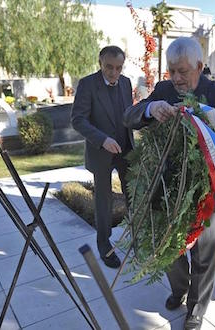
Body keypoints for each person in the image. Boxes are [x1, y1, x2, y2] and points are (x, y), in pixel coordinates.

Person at [122, 37, 215, 330]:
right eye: (172, 71)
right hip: (168, 187)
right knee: (168, 249)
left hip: (206, 188)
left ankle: (196, 309)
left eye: (183, 71)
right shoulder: (164, 90)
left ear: (200, 67)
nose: (176, 78)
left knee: (204, 255)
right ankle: (179, 289)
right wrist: (151, 110)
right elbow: (130, 117)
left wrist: (205, 115)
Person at [71, 46, 134, 268]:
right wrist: (103, 140)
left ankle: (137, 237)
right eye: (109, 67)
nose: (114, 73)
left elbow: (129, 114)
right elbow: (78, 120)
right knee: (104, 200)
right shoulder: (87, 84)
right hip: (101, 151)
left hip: (126, 150)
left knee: (133, 194)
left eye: (118, 68)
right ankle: (104, 245)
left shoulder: (126, 83)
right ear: (100, 62)